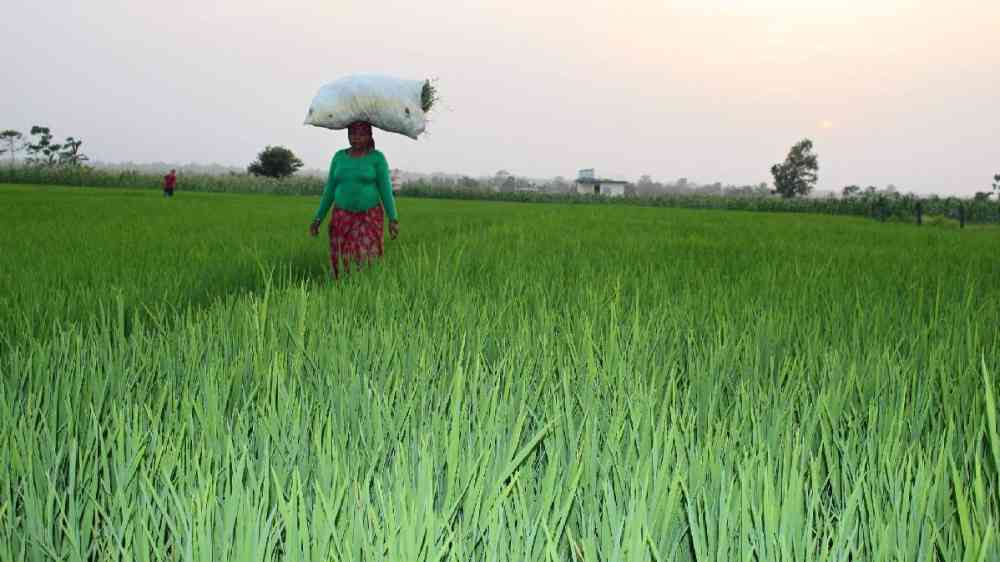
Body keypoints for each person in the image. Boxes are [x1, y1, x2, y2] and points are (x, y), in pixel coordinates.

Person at [309, 121, 400, 279]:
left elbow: (386, 190)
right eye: (352, 134)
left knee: (367, 255)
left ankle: (366, 287)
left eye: (361, 135)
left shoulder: (377, 158)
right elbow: (329, 189)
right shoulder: (339, 157)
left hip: (369, 216)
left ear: (369, 136)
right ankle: (339, 287)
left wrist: (393, 219)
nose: (355, 138)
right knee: (340, 255)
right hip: (341, 217)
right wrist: (318, 218)